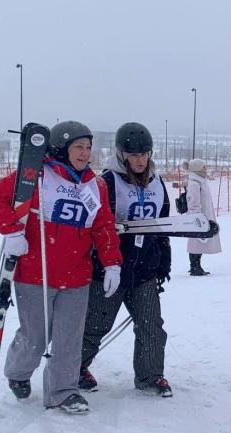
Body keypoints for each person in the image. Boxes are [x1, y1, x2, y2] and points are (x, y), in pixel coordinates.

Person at [0, 121, 122, 414]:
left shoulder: (95, 186)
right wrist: (11, 231)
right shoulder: (36, 176)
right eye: (78, 147)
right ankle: (18, 373)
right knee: (35, 338)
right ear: (62, 149)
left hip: (77, 277)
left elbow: (104, 226)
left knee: (69, 339)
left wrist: (112, 264)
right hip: (36, 274)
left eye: (88, 147)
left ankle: (63, 392)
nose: (85, 153)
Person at [79, 122, 173, 397]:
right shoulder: (107, 181)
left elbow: (163, 225)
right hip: (110, 270)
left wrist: (163, 260)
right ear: (122, 155)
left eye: (144, 154)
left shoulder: (157, 183)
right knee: (95, 326)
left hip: (144, 271)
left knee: (151, 325)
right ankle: (74, 368)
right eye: (134, 155)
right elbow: (94, 224)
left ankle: (150, 376)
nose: (140, 160)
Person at [186, 158, 221, 276]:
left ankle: (197, 266)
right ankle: (194, 266)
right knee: (195, 241)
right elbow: (193, 202)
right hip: (198, 217)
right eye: (203, 167)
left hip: (203, 216)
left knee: (200, 241)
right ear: (197, 168)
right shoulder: (194, 183)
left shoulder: (200, 180)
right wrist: (197, 216)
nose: (205, 169)